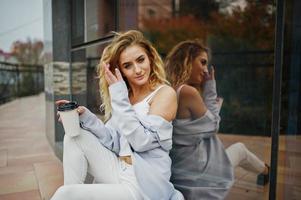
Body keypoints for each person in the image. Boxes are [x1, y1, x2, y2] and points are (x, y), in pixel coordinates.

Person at [51, 30, 184, 200]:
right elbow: (113, 141)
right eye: (128, 65)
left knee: (65, 194)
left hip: (143, 185)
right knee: (73, 137)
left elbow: (141, 142)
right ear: (119, 70)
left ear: (150, 57)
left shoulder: (164, 93)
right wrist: (86, 117)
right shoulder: (125, 96)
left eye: (140, 60)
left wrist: (119, 96)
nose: (137, 70)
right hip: (119, 169)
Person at [165, 40, 270, 200]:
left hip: (179, 172)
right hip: (198, 177)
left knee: (232, 149)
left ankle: (266, 171)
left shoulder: (168, 89)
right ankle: (267, 171)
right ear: (187, 59)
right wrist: (210, 87)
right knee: (240, 149)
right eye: (203, 62)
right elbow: (213, 125)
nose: (206, 71)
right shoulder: (187, 92)